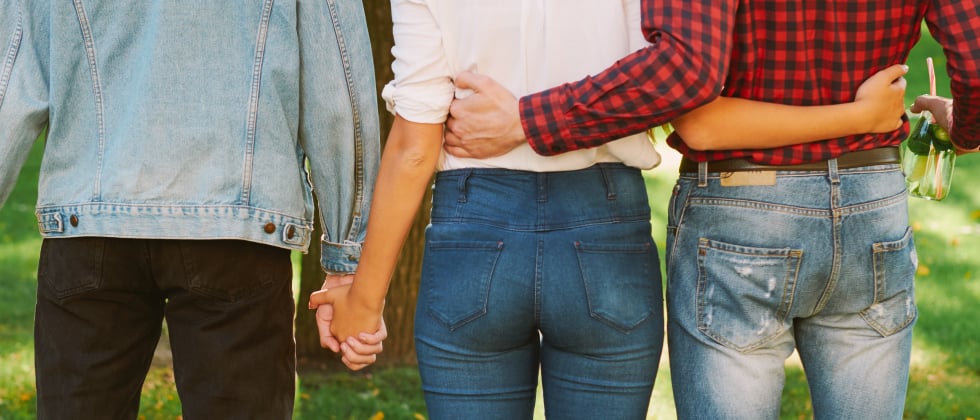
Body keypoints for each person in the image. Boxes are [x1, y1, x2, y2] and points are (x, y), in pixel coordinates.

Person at [308, 1, 909, 418]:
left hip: (473, 232)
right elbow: (669, 78)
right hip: (604, 232)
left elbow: (414, 146)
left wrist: (363, 299)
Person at [440, 1, 980, 418]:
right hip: (871, 207)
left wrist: (530, 120)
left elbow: (687, 72)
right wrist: (962, 128)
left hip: (741, 211)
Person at [0, 1, 385, 418]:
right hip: (236, 228)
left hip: (89, 225)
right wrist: (351, 263)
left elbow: (9, 79)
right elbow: (339, 87)